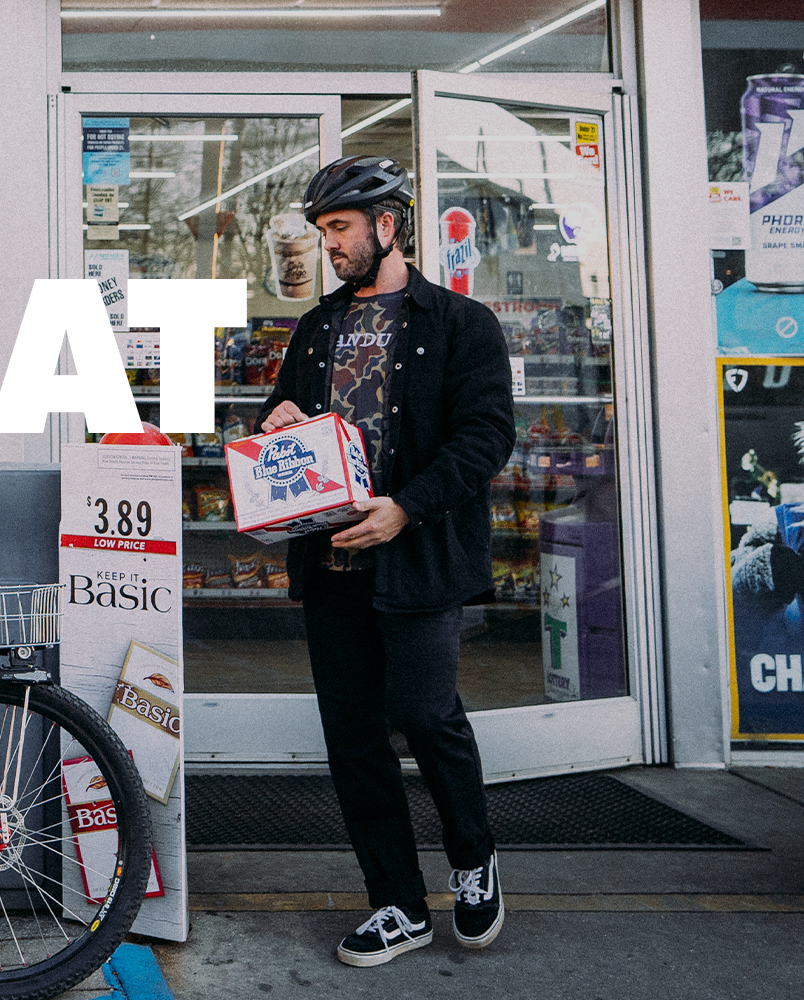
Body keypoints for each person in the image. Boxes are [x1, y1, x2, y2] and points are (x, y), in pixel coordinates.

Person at [256, 155, 517, 968]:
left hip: (418, 558)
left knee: (427, 714)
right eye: (323, 230)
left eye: (339, 228)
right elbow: (283, 419)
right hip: (333, 563)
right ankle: (397, 903)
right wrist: (277, 420)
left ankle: (473, 862)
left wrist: (405, 507)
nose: (329, 245)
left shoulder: (461, 324)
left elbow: (486, 438)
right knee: (355, 739)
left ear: (388, 226)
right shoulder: (317, 326)